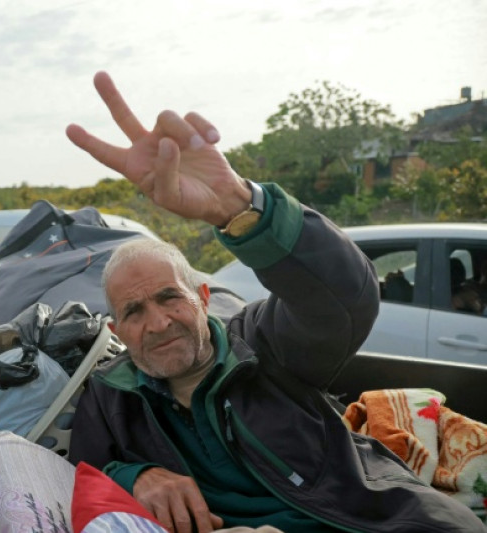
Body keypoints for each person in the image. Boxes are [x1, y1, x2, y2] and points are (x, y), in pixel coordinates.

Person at [66, 72, 484, 533]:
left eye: (170, 298)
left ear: (203, 298)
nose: (160, 322)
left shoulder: (266, 344)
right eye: (134, 311)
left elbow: (347, 295)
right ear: (116, 330)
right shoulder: (110, 396)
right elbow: (82, 472)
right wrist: (136, 475)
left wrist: (237, 205)